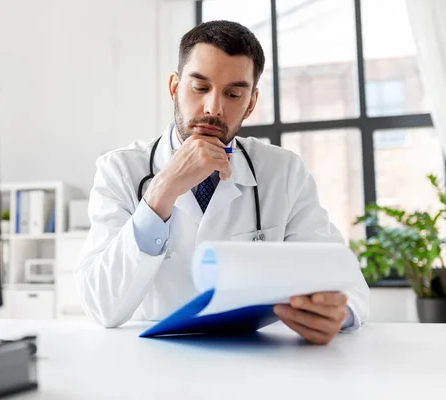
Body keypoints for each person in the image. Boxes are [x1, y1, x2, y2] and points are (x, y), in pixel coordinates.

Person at [75, 20, 369, 345]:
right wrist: (162, 191)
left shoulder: (282, 171)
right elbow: (101, 305)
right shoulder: (119, 169)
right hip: (151, 362)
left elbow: (349, 283)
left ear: (251, 103)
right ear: (174, 87)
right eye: (200, 88)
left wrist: (337, 313)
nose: (214, 108)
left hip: (251, 362)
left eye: (233, 93)